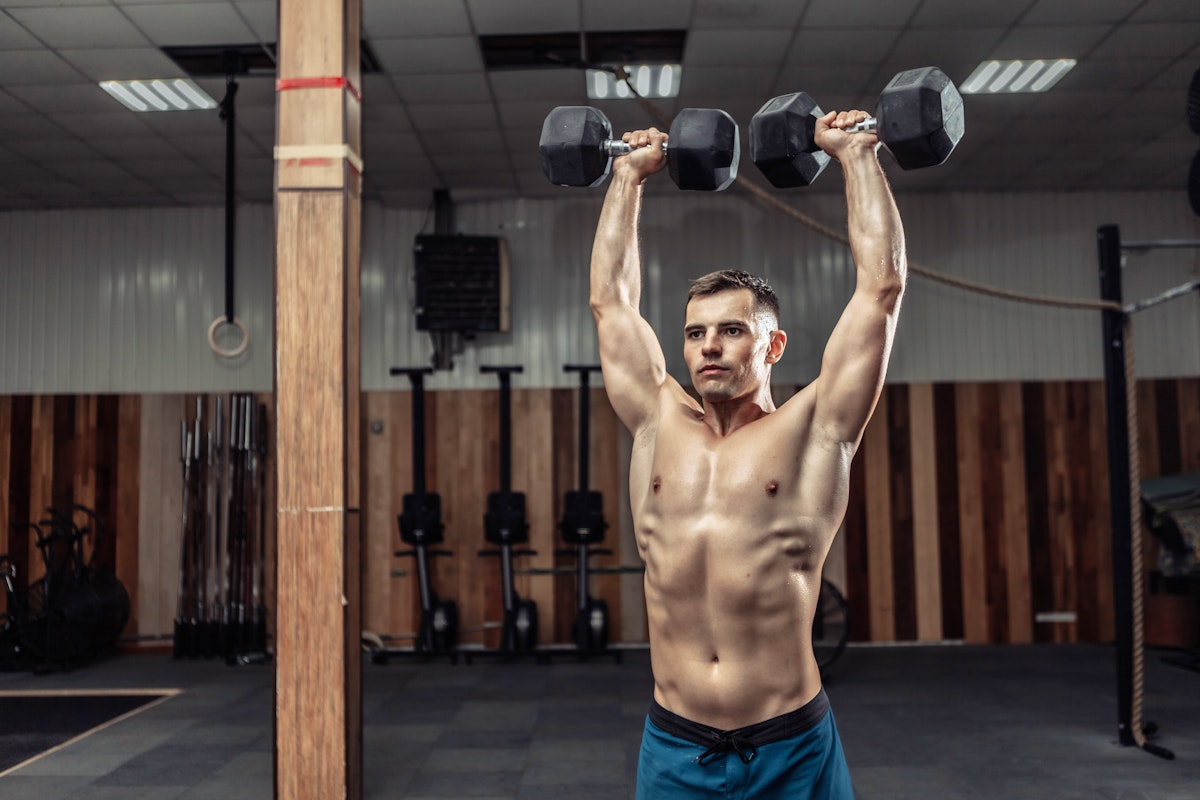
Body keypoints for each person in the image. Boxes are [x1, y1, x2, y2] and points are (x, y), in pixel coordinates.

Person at [589, 108, 906, 798]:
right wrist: (627, 178)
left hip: (790, 746)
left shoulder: (815, 430)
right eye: (697, 331)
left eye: (732, 330)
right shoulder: (654, 422)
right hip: (675, 745)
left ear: (772, 345)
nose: (709, 345)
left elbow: (879, 292)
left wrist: (856, 157)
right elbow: (611, 304)